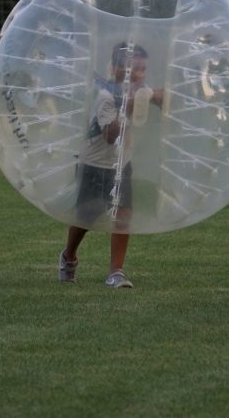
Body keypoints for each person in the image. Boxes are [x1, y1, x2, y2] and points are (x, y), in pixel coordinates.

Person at [58, 42, 163, 287]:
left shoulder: (140, 91)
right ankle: (68, 256)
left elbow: (159, 98)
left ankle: (116, 272)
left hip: (121, 165)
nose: (139, 75)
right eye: (133, 70)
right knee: (86, 218)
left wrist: (159, 98)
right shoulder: (105, 97)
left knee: (123, 216)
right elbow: (110, 135)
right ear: (115, 69)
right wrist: (129, 105)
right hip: (94, 165)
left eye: (143, 69)